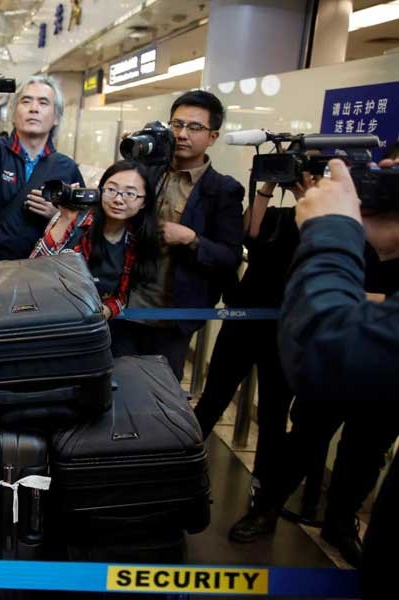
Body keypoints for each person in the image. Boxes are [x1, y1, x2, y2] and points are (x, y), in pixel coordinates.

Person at [259, 158, 398, 599]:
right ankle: (265, 508)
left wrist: (333, 229)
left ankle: (340, 523)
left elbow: (323, 347)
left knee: (364, 455)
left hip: (367, 373)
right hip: (351, 371)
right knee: (304, 441)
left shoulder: (340, 225)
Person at [110, 90, 244, 380]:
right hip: (123, 306)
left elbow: (229, 256)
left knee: (161, 394)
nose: (182, 134)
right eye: (177, 124)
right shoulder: (146, 173)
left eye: (194, 127)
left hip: (173, 318)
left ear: (213, 136)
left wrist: (190, 239)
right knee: (114, 387)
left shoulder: (222, 190)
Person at [192, 179, 300, 516]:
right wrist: (267, 186)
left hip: (287, 329)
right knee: (213, 398)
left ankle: (262, 491)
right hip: (245, 318)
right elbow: (249, 234)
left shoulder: (329, 223)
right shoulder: (278, 216)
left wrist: (308, 195)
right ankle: (179, 464)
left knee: (273, 414)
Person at [0, 73, 84, 263]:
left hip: (44, 271)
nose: (34, 109)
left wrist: (58, 216)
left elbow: (82, 226)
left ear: (56, 117)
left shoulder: (66, 167)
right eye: (26, 101)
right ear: (14, 112)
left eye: (43, 103)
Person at [31, 159, 159, 321]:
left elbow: (121, 295)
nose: (118, 200)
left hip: (94, 323)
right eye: (111, 189)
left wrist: (106, 310)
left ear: (144, 202)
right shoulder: (77, 220)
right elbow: (34, 270)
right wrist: (65, 218)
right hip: (52, 316)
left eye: (130, 193)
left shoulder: (135, 241)